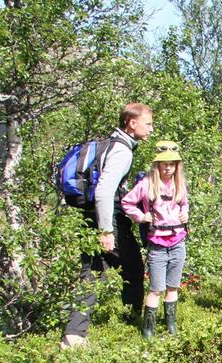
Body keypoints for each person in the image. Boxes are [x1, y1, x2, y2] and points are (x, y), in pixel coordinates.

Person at [62, 103, 153, 348]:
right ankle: (130, 321)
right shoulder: (122, 150)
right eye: (148, 123)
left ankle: (74, 334)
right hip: (108, 216)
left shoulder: (107, 143)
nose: (151, 129)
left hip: (88, 214)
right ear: (132, 123)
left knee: (91, 271)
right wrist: (106, 230)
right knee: (133, 268)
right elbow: (103, 191)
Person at [121, 141, 190, 338]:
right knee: (156, 288)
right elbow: (127, 202)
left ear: (177, 165)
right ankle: (147, 330)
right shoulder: (146, 184)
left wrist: (185, 214)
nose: (168, 168)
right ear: (157, 165)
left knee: (173, 286)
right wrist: (141, 217)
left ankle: (171, 325)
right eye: (164, 164)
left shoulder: (180, 184)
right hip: (157, 244)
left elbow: (184, 204)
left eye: (172, 164)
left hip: (178, 240)